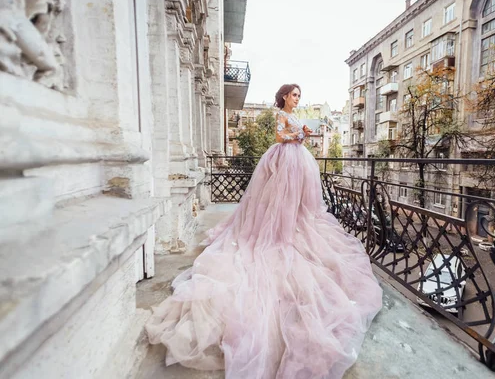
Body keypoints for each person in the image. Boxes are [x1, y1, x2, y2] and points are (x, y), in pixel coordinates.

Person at [145, 84, 383, 378]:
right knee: (277, 201)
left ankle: (294, 224)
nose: (297, 99)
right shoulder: (280, 114)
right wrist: (297, 135)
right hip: (283, 160)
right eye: (294, 95)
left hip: (299, 162)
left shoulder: (298, 116)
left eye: (299, 95)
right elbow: (279, 136)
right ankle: (278, 231)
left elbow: (295, 137)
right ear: (285, 96)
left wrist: (304, 135)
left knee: (300, 205)